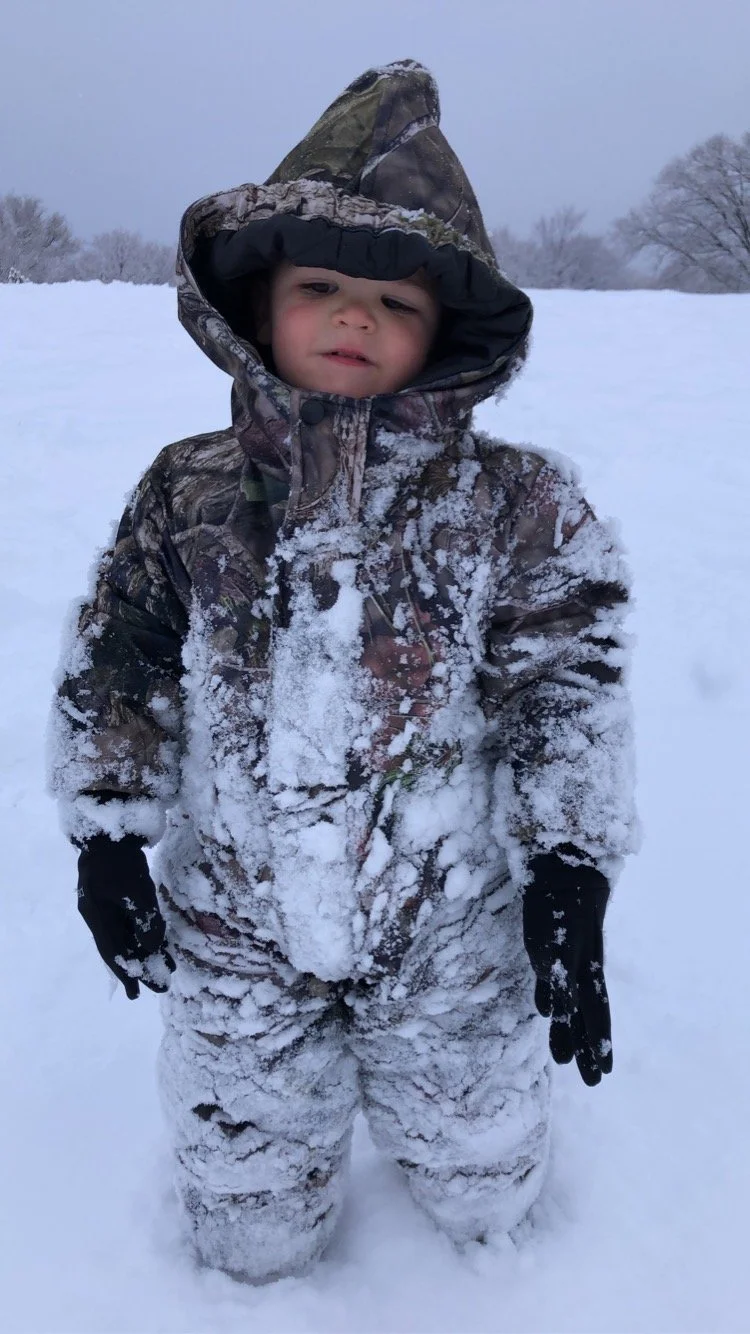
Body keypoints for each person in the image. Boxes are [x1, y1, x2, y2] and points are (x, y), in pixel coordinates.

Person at [49, 59, 637, 1283]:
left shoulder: (516, 501)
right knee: (249, 1214)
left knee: (482, 1173)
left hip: (450, 920)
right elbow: (124, 654)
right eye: (321, 286)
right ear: (260, 305)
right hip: (237, 915)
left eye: (392, 298)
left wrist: (569, 867)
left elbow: (566, 687)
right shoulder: (189, 487)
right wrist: (108, 827)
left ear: (446, 332)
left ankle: (496, 1229)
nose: (352, 317)